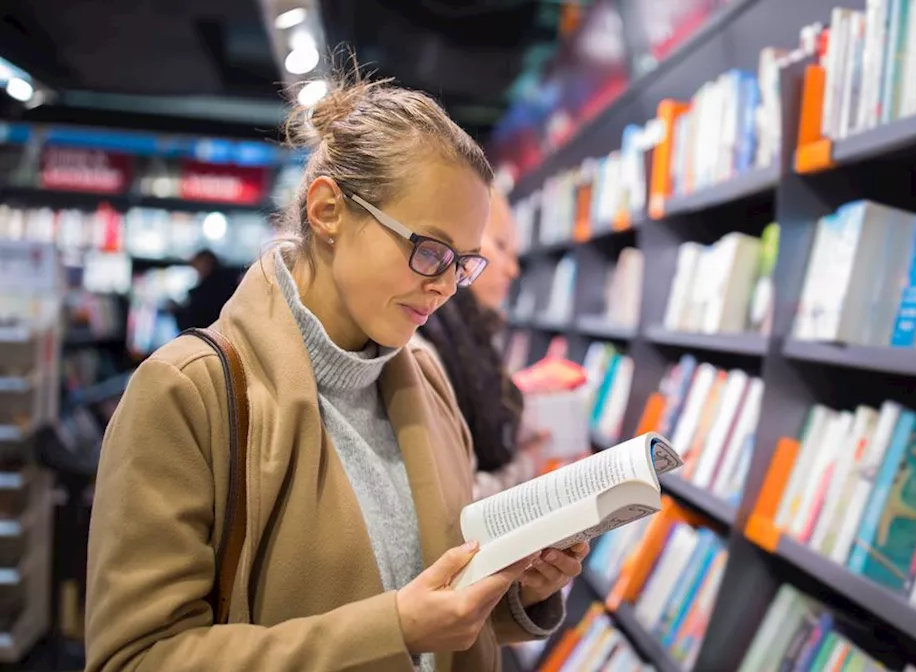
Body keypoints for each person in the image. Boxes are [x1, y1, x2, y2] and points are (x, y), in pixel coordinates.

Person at [84, 69, 585, 672]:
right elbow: (135, 658)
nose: (447, 286)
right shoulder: (188, 392)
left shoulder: (425, 380)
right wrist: (393, 627)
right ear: (326, 211)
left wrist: (520, 591)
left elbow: (440, 609)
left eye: (463, 264)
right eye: (429, 250)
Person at [418, 188, 549, 501]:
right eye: (501, 245)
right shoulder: (424, 342)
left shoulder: (468, 337)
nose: (513, 269)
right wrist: (528, 465)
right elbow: (456, 497)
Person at [172, 249, 242, 331]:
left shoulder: (207, 291)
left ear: (206, 262)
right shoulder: (233, 279)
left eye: (197, 266)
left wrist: (176, 311)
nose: (197, 271)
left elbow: (192, 324)